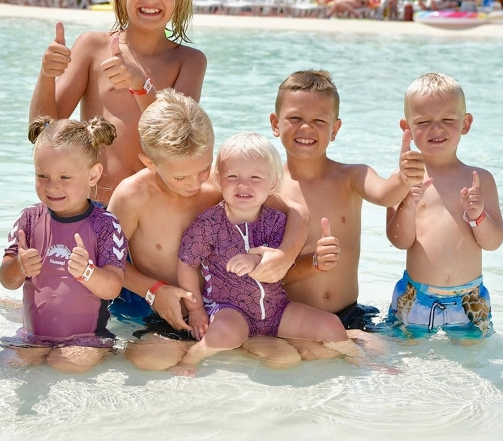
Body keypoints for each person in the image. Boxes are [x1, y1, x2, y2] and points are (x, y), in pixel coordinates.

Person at [108, 89, 309, 370]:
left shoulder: (222, 180)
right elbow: (106, 260)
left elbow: (298, 212)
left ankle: (232, 340)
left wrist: (285, 256)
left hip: (227, 309)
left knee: (287, 359)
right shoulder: (133, 196)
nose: (195, 183)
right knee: (151, 361)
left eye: (203, 169)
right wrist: (154, 290)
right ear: (150, 163)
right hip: (163, 310)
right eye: (180, 176)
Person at [30, 0, 207, 203]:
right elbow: (41, 132)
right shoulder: (92, 47)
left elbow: (177, 143)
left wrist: (140, 85)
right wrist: (46, 74)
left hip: (151, 210)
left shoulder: (189, 61)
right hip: (92, 208)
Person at [169, 132, 359, 375]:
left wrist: (316, 259)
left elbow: (284, 261)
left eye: (256, 177)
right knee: (225, 334)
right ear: (218, 179)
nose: (243, 185)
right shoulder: (209, 223)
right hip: (228, 308)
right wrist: (195, 310)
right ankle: (191, 359)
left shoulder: (277, 222)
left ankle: (358, 359)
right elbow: (186, 262)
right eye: (232, 176)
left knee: (330, 324)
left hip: (276, 308)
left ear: (273, 183)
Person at [269, 70, 426, 335]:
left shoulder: (352, 176)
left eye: (319, 120)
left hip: (350, 314)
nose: (306, 128)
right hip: (290, 316)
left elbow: (386, 194)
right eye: (295, 118)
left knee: (383, 366)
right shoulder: (268, 187)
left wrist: (404, 176)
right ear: (275, 123)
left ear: (335, 129)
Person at [0, 116, 126, 373]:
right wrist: (19, 266)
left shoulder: (105, 225)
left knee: (66, 366)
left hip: (87, 340)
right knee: (7, 365)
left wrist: (87, 272)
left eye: (65, 177)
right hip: (32, 336)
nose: (52, 186)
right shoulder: (29, 219)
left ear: (93, 174)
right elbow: (6, 280)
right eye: (42, 175)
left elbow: (113, 287)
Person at [386, 73, 502, 338]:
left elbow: (494, 243)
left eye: (448, 120)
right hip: (417, 297)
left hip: (470, 300)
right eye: (424, 122)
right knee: (406, 360)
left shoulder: (480, 180)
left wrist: (478, 216)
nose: (436, 129)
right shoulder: (401, 181)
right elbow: (399, 241)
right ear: (407, 126)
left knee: (474, 363)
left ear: (465, 123)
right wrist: (409, 205)